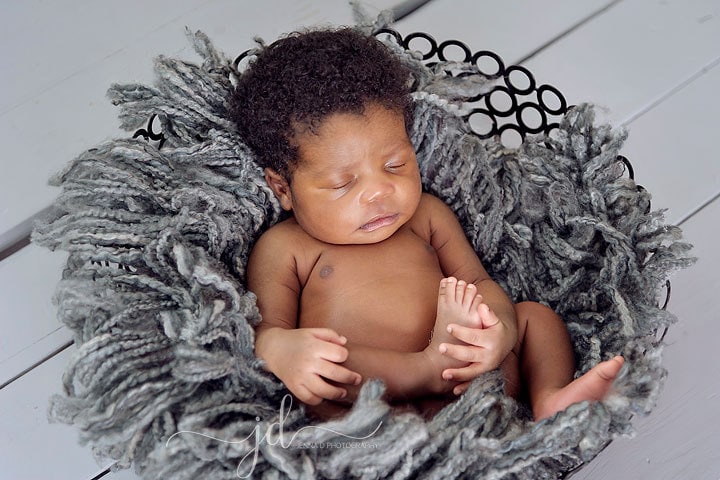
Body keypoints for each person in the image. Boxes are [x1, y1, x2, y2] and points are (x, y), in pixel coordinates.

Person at [230, 27, 624, 421]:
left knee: (535, 317)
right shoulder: (285, 246)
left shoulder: (426, 215)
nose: (379, 192)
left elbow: (479, 282)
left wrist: (499, 332)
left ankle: (549, 399)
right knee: (325, 360)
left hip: (469, 379)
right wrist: (281, 349)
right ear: (283, 188)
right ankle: (426, 376)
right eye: (342, 183)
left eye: (395, 165)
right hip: (371, 400)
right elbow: (266, 332)